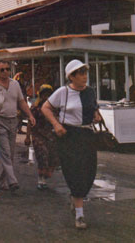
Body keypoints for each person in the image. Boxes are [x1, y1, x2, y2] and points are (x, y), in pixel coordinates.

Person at [41, 60, 101, 230]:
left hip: (87, 135)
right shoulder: (63, 92)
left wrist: (96, 115)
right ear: (71, 77)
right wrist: (56, 124)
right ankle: (80, 215)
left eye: (85, 73)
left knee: (89, 172)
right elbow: (46, 108)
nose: (84, 76)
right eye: (80, 73)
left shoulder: (90, 92)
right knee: (74, 172)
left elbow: (93, 108)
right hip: (69, 136)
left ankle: (75, 198)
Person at [0, 60, 36, 192]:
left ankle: (1, 182)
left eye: (7, 69)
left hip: (13, 121)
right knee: (5, 152)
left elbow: (21, 101)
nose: (5, 72)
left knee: (10, 153)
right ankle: (12, 180)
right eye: (2, 69)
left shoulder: (15, 85)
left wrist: (30, 115)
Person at [25, 84, 59, 190]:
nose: (47, 97)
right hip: (38, 135)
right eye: (45, 94)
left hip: (51, 135)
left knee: (53, 156)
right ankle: (41, 179)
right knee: (42, 155)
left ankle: (47, 174)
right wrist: (27, 137)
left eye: (49, 95)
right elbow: (30, 123)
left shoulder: (55, 108)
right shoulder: (35, 108)